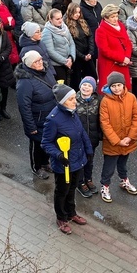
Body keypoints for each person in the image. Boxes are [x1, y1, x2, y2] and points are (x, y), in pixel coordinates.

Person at [41, 84, 93, 234]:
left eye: (74, 98)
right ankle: (61, 218)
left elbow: (81, 132)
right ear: (62, 101)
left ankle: (71, 213)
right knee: (62, 191)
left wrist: (88, 150)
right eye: (71, 99)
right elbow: (46, 143)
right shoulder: (53, 119)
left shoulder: (72, 112)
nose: (75, 101)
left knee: (72, 190)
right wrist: (58, 155)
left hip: (78, 160)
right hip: (64, 164)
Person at [98, 71, 137, 203]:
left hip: (127, 141)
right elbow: (104, 123)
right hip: (113, 143)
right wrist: (117, 141)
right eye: (113, 86)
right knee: (109, 167)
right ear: (109, 87)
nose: (116, 88)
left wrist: (129, 137)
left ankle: (124, 180)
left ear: (124, 85)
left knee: (123, 163)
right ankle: (105, 186)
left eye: (119, 85)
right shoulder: (105, 101)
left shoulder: (131, 97)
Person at [15, 50, 57, 179]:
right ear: (29, 65)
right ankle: (37, 167)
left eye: (40, 59)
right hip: (37, 120)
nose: (40, 63)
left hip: (50, 117)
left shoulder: (46, 71)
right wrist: (31, 126)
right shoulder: (25, 82)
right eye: (36, 62)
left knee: (48, 142)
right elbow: (24, 106)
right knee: (37, 146)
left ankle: (45, 163)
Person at [95, 4, 132, 91]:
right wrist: (122, 59)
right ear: (105, 18)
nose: (116, 19)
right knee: (111, 89)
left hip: (123, 63)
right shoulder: (101, 31)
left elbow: (128, 43)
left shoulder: (121, 26)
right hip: (110, 64)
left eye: (116, 16)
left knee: (123, 89)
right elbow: (105, 50)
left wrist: (127, 57)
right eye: (112, 17)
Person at [75, 77, 101, 198]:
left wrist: (99, 135)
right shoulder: (73, 100)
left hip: (92, 139)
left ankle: (88, 179)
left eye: (89, 86)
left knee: (89, 160)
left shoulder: (98, 101)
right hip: (78, 140)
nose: (86, 87)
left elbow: (101, 120)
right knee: (80, 161)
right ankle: (80, 183)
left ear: (93, 89)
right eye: (84, 85)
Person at [65, 3, 96, 89]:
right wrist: (82, 56)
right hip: (77, 57)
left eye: (79, 12)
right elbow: (70, 44)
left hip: (87, 54)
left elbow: (90, 36)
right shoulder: (67, 25)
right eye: (75, 12)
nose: (77, 14)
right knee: (76, 80)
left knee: (92, 75)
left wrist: (90, 52)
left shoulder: (83, 22)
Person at [42, 8, 75, 84]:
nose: (60, 20)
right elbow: (50, 51)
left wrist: (71, 58)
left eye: (61, 18)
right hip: (57, 65)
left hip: (68, 62)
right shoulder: (47, 32)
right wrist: (65, 61)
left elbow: (72, 43)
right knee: (61, 87)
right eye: (57, 19)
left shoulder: (64, 27)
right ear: (51, 19)